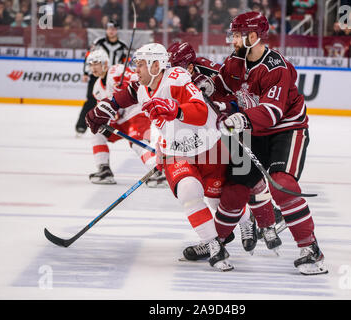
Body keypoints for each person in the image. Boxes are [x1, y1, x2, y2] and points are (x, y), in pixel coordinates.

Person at [85, 43, 234, 272]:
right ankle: (214, 246)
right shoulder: (142, 86)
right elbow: (125, 95)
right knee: (188, 192)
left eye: (141, 64)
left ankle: (248, 222)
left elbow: (200, 110)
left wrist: (175, 109)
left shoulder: (177, 77)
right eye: (136, 64)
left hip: (208, 148)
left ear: (157, 65)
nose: (137, 70)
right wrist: (106, 106)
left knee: (220, 200)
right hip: (175, 151)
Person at [203, 11, 328, 275]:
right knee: (234, 190)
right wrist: (207, 87)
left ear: (254, 36)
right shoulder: (236, 61)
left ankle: (310, 249)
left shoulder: (276, 67)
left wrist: (239, 118)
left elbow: (272, 112)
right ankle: (218, 243)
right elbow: (221, 85)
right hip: (251, 129)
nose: (233, 39)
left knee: (282, 184)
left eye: (237, 34)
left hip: (286, 130)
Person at [167, 41, 287, 258]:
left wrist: (220, 101)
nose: (173, 72)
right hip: (206, 135)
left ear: (191, 66)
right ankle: (239, 224)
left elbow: (241, 98)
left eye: (178, 67)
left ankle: (262, 222)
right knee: (219, 188)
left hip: (234, 129)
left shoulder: (212, 71)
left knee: (243, 177)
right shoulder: (174, 76)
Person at [85, 48, 165, 187]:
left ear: (105, 63)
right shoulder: (96, 87)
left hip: (135, 113)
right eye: (91, 64)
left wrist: (125, 87)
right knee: (96, 133)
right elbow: (105, 110)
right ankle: (104, 170)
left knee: (136, 142)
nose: (93, 67)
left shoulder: (117, 71)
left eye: (96, 63)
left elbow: (139, 81)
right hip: (119, 120)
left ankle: (158, 172)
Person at [75, 19, 128, 136]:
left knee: (112, 102)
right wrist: (85, 72)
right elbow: (89, 56)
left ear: (117, 31)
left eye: (114, 29)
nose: (111, 31)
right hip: (97, 76)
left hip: (114, 77)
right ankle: (81, 125)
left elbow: (126, 63)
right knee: (91, 100)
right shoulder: (98, 42)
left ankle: (110, 128)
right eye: (109, 29)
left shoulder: (123, 46)